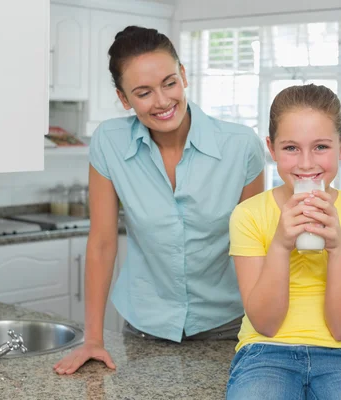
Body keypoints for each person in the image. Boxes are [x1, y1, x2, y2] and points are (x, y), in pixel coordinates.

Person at [54, 26, 265, 375]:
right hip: (143, 329)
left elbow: (256, 247)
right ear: (124, 99)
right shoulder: (109, 143)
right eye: (143, 92)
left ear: (183, 75)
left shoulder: (241, 147)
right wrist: (93, 338)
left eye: (169, 82)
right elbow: (103, 242)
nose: (163, 101)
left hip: (230, 329)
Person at [226, 84, 341, 399]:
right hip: (264, 352)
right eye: (291, 148)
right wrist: (281, 245)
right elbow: (266, 324)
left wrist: (338, 248)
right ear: (272, 149)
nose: (307, 164)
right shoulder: (248, 215)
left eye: (321, 147)